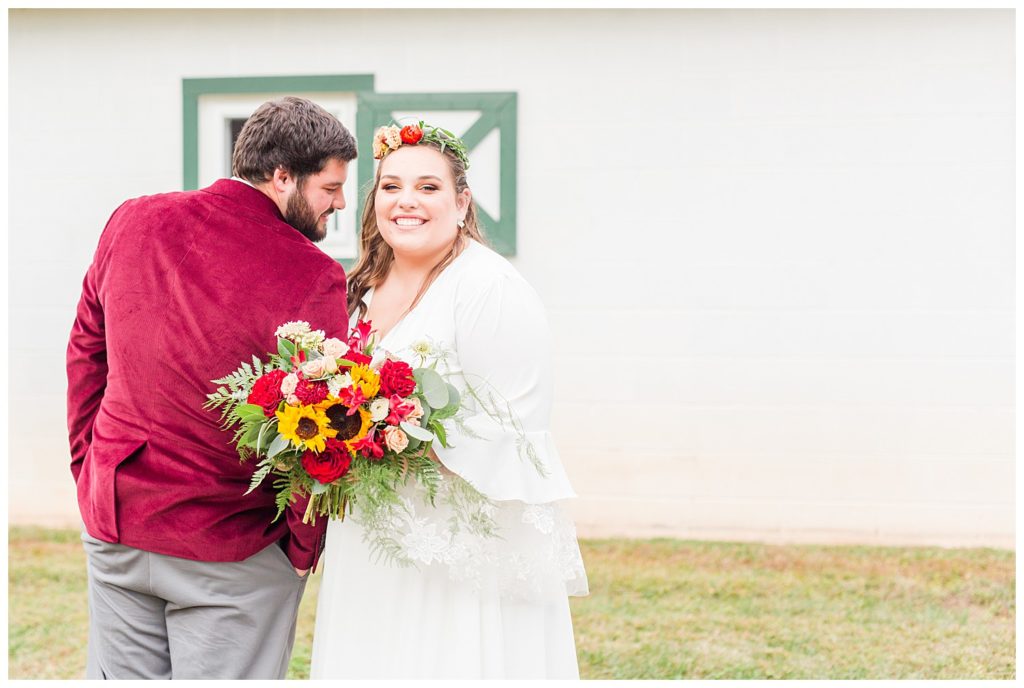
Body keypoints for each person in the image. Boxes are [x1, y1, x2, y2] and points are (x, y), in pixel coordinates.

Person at [66, 96, 356, 679]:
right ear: (282, 177)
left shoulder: (133, 218)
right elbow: (321, 425)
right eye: (329, 188)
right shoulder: (313, 274)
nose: (340, 203)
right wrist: (302, 547)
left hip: (120, 520)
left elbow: (83, 354)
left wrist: (91, 472)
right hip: (236, 544)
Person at [309, 123, 588, 679]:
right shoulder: (359, 289)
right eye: (390, 187)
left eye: (428, 187)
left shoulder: (487, 286)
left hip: (455, 543)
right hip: (370, 532)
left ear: (462, 201)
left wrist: (394, 431)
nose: (405, 201)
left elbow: (518, 423)